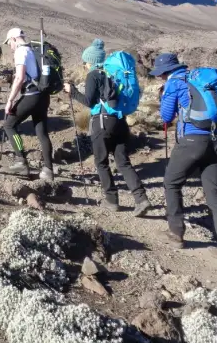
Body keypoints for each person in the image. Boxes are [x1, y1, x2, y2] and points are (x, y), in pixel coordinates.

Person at [151, 53, 217, 261]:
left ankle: (176, 233)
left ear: (164, 72)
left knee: (171, 182)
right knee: (215, 193)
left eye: (159, 74)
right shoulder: (200, 80)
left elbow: (166, 116)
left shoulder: (175, 83)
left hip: (192, 141)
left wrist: (164, 98)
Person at [64, 38, 151, 216]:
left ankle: (111, 201)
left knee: (101, 162)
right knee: (123, 162)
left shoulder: (94, 74)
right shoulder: (112, 73)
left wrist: (71, 92)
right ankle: (141, 198)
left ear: (90, 61)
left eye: (85, 61)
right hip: (120, 121)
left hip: (102, 122)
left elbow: (89, 101)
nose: (85, 64)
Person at [1, 28, 54, 180]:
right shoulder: (34, 50)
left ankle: (21, 161)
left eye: (9, 42)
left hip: (31, 95)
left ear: (14, 39)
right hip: (43, 96)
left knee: (9, 125)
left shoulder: (20, 52)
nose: (9, 46)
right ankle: (48, 170)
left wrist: (10, 100)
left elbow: (19, 78)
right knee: (42, 132)